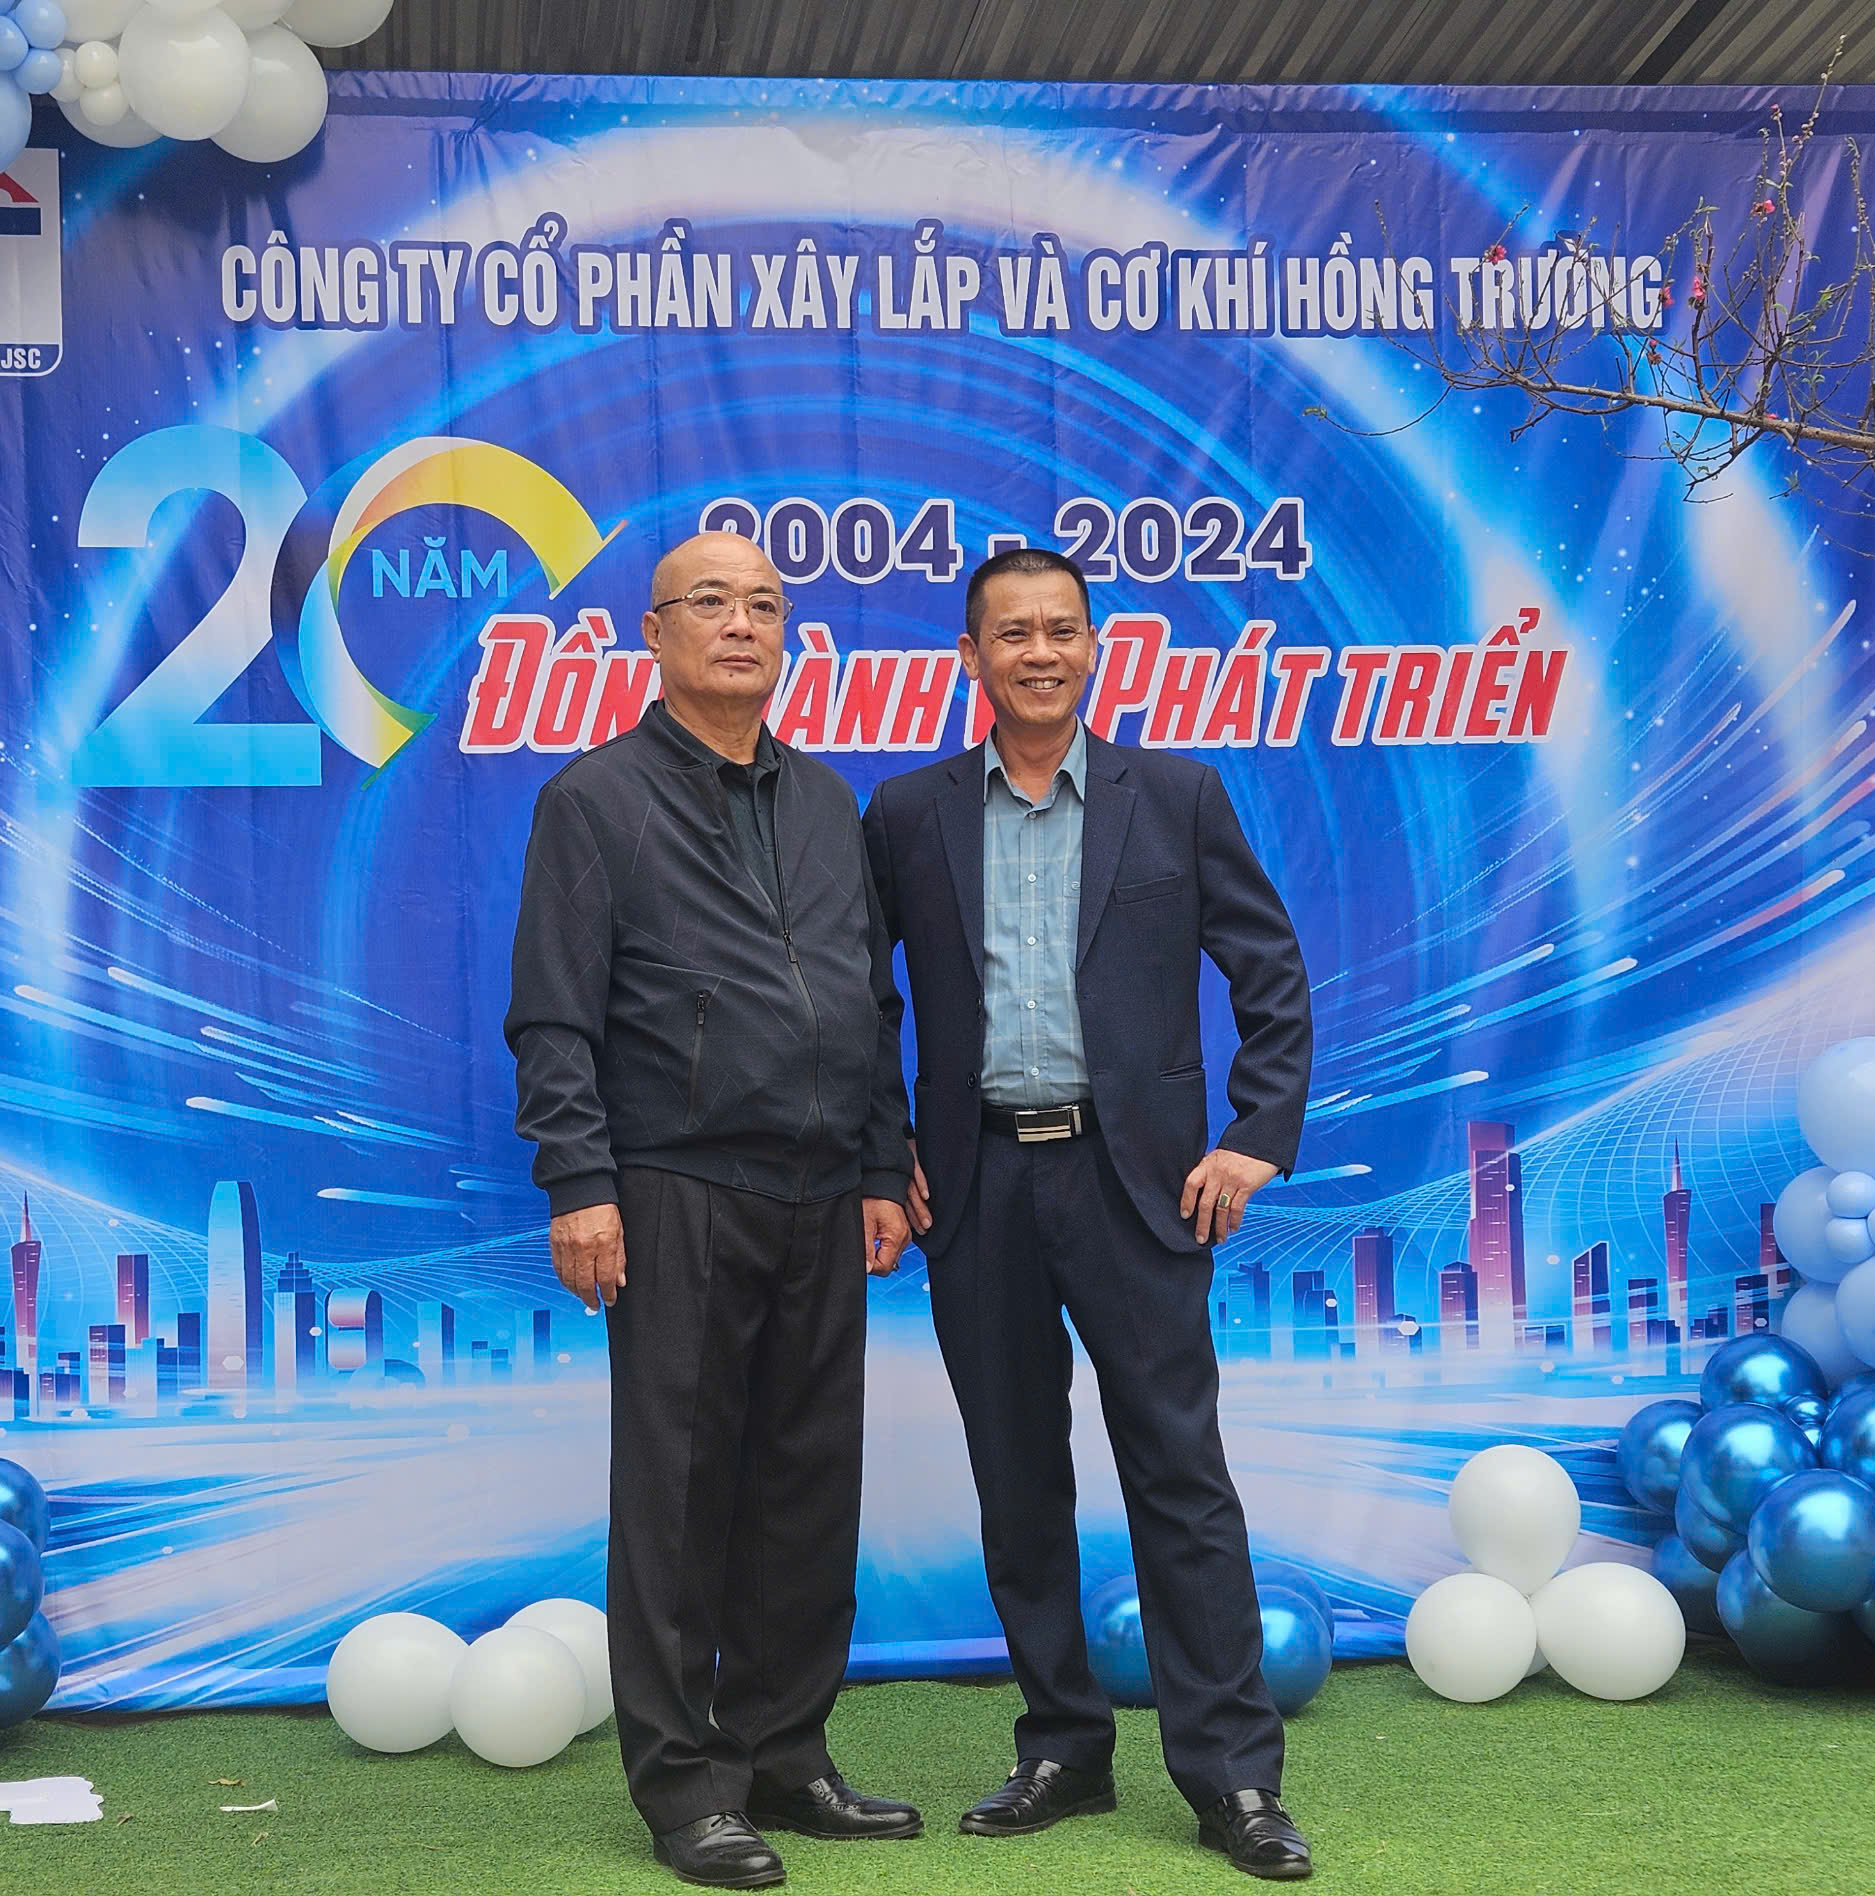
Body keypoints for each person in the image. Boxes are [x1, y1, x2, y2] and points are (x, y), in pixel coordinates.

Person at [862, 548, 1317, 1881]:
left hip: (1137, 1188)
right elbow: (855, 994)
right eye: (1013, 633)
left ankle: (1233, 1779)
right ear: (972, 655)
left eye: (1062, 630)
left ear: (1093, 647)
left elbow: (1270, 972)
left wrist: (1254, 1138)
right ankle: (1062, 1746)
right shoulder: (908, 814)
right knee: (1018, 1483)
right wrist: (884, 1153)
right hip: (979, 1187)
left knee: (1181, 1477)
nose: (1040, 653)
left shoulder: (1174, 797)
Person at [506, 531, 922, 1890]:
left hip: (823, 1195)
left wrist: (882, 1164)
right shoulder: (595, 800)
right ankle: (687, 1788)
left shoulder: (828, 801)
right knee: (680, 1501)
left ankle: (785, 1754)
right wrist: (580, 1185)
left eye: (765, 605)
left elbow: (869, 999)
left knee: (808, 1490)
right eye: (711, 603)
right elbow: (553, 1016)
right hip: (674, 1188)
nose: (742, 625)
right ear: (656, 631)